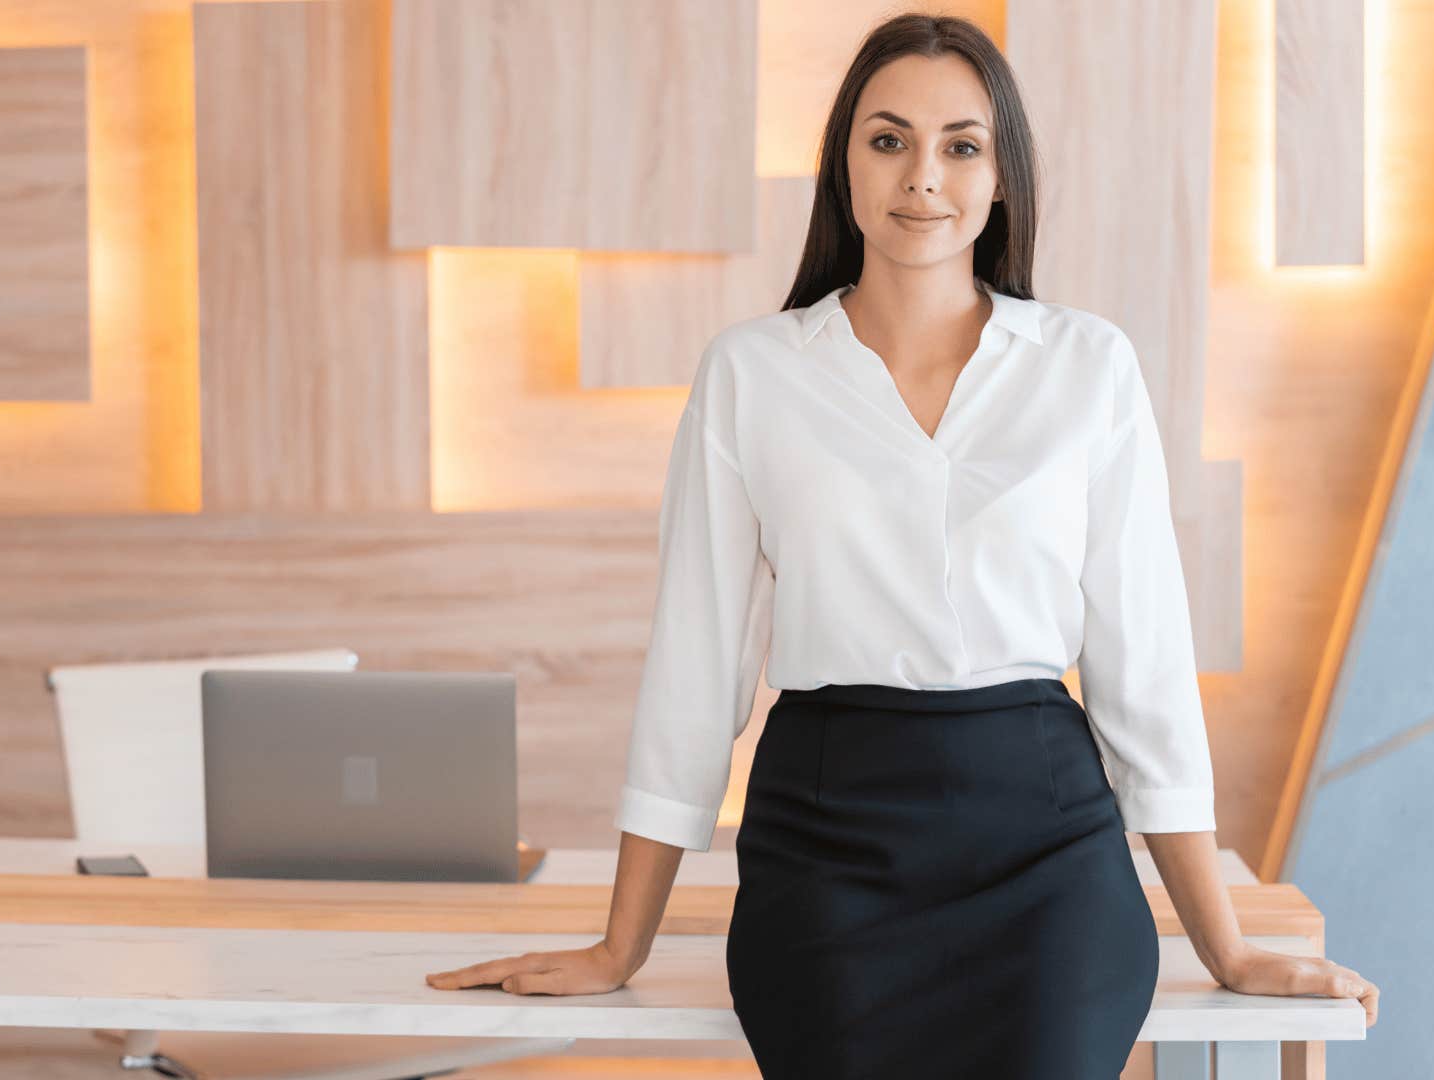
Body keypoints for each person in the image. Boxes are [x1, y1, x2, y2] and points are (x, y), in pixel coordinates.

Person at [422, 11, 1379, 1076]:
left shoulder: (1088, 368)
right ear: (841, 164)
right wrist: (620, 943)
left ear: (1002, 175)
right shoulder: (753, 373)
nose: (923, 175)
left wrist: (1228, 945)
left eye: (961, 145)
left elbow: (1140, 670)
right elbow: (696, 667)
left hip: (1047, 855)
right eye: (888, 140)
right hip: (828, 850)